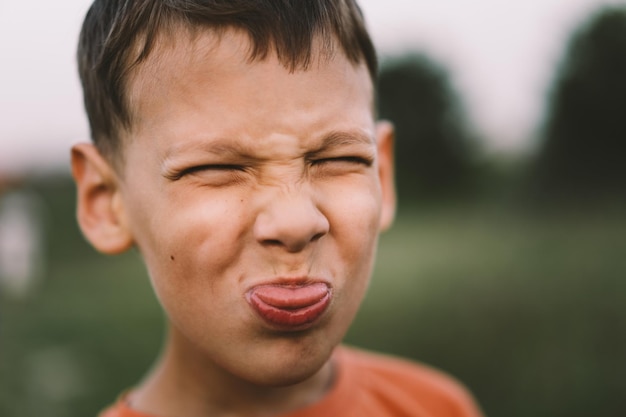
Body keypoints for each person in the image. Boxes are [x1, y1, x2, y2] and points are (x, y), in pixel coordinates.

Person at [71, 1, 485, 416]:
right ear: (106, 202)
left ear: (383, 175)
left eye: (340, 159)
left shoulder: (439, 407)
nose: (296, 223)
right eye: (216, 167)